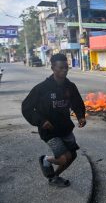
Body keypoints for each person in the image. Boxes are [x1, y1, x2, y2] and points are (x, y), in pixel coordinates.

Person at [21, 53, 86, 187]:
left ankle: (54, 177)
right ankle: (45, 159)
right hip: (49, 130)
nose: (64, 70)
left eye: (66, 67)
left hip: (65, 128)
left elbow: (77, 103)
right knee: (63, 158)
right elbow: (26, 108)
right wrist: (41, 121)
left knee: (72, 156)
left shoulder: (70, 86)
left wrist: (80, 116)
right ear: (52, 68)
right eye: (61, 67)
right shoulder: (42, 88)